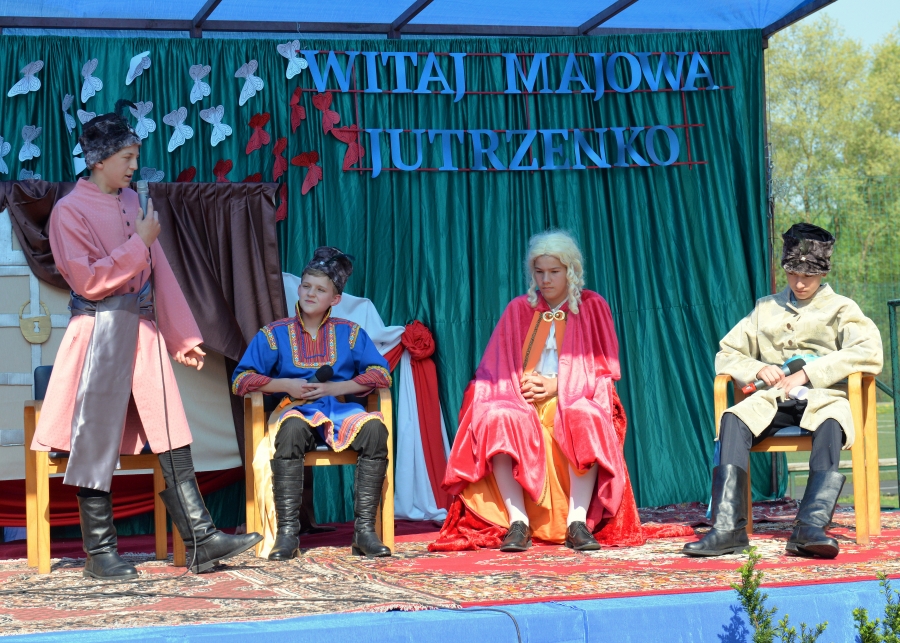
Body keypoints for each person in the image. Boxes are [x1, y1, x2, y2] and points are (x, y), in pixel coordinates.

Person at [32, 100, 262, 580]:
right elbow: (88, 280)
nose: (135, 166)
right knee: (95, 437)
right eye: (127, 158)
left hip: (142, 333)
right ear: (99, 160)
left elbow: (160, 273)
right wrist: (139, 243)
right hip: (97, 334)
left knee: (170, 429)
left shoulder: (134, 203)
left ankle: (201, 539)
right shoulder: (68, 212)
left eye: (135, 157)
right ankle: (99, 553)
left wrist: (182, 336)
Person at [432, 230, 652, 553]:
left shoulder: (592, 307)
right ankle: (518, 522)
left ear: (571, 270)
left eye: (554, 272)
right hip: (520, 398)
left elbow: (605, 368)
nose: (545, 280)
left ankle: (577, 522)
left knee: (584, 416)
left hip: (573, 395)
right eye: (539, 272)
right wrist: (514, 391)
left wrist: (556, 385)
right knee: (497, 417)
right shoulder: (518, 309)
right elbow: (494, 367)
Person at [683, 223, 883, 559]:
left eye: (808, 276)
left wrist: (809, 373)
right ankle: (728, 529)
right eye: (793, 274)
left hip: (822, 399)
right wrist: (756, 369)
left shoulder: (842, 308)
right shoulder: (765, 308)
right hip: (771, 399)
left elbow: (869, 351)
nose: (800, 283)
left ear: (823, 272)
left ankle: (809, 528)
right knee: (733, 418)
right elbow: (727, 353)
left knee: (832, 422)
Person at [232, 247, 394, 559]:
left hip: (340, 410)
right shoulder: (274, 334)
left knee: (375, 430)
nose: (310, 293)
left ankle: (365, 532)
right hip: (294, 410)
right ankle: (287, 535)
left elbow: (381, 374)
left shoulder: (350, 333)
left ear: (335, 299)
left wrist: (337, 387)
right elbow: (241, 380)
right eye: (306, 285)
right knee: (291, 430)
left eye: (320, 289)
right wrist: (285, 384)